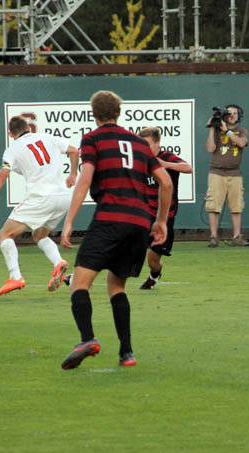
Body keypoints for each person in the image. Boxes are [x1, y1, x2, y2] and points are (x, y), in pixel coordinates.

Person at [59, 90, 172, 370]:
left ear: (94, 114)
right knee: (116, 286)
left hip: (110, 218)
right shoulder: (140, 143)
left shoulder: (93, 139)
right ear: (118, 113)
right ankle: (127, 353)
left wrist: (70, 221)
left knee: (79, 282)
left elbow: (85, 179)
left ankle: (87, 339)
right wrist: (160, 221)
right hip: (138, 223)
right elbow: (166, 183)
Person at [0, 115, 79, 295]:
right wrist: (73, 174)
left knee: (5, 234)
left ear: (10, 133)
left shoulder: (12, 149)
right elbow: (74, 151)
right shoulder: (48, 137)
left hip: (41, 198)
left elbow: (3, 175)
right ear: (29, 128)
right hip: (62, 198)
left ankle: (15, 277)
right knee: (39, 234)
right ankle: (59, 263)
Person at [138, 127, 193, 290]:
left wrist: (166, 165)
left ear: (157, 143)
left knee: (153, 260)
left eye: (147, 144)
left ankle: (154, 275)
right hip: (144, 215)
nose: (145, 149)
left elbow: (188, 168)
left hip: (165, 217)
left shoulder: (166, 157)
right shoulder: (140, 160)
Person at [205, 104, 249, 247]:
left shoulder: (242, 131)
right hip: (216, 172)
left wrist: (228, 132)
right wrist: (213, 128)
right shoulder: (217, 131)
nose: (232, 115)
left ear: (239, 116)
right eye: (229, 113)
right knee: (213, 206)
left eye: (235, 113)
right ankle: (213, 236)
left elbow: (242, 143)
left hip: (235, 173)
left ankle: (236, 236)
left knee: (236, 206)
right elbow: (210, 148)